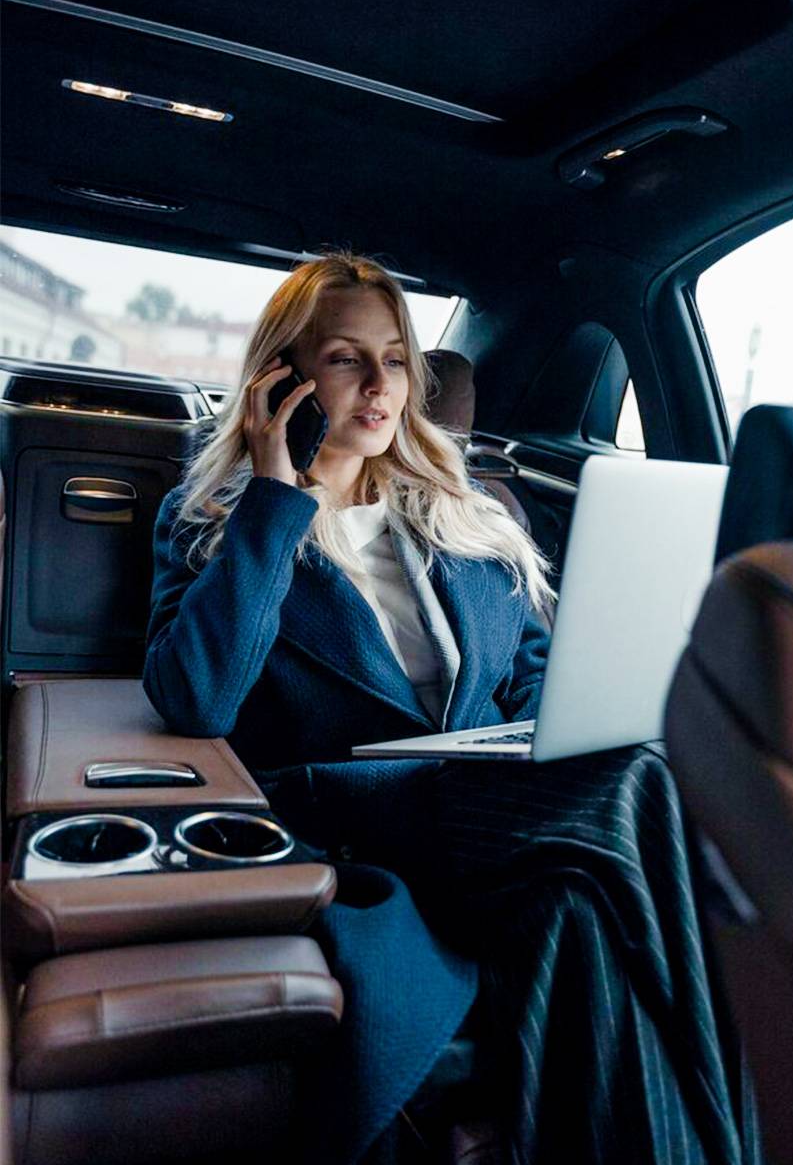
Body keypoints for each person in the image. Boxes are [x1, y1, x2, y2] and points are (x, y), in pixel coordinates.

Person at [143, 252, 761, 1165]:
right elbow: (199, 698)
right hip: (353, 807)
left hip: (501, 809)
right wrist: (280, 499)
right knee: (638, 782)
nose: (379, 384)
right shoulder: (216, 521)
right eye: (346, 358)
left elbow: (539, 673)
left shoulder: (468, 513)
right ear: (284, 377)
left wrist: (546, 730)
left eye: (395, 358)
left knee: (581, 916)